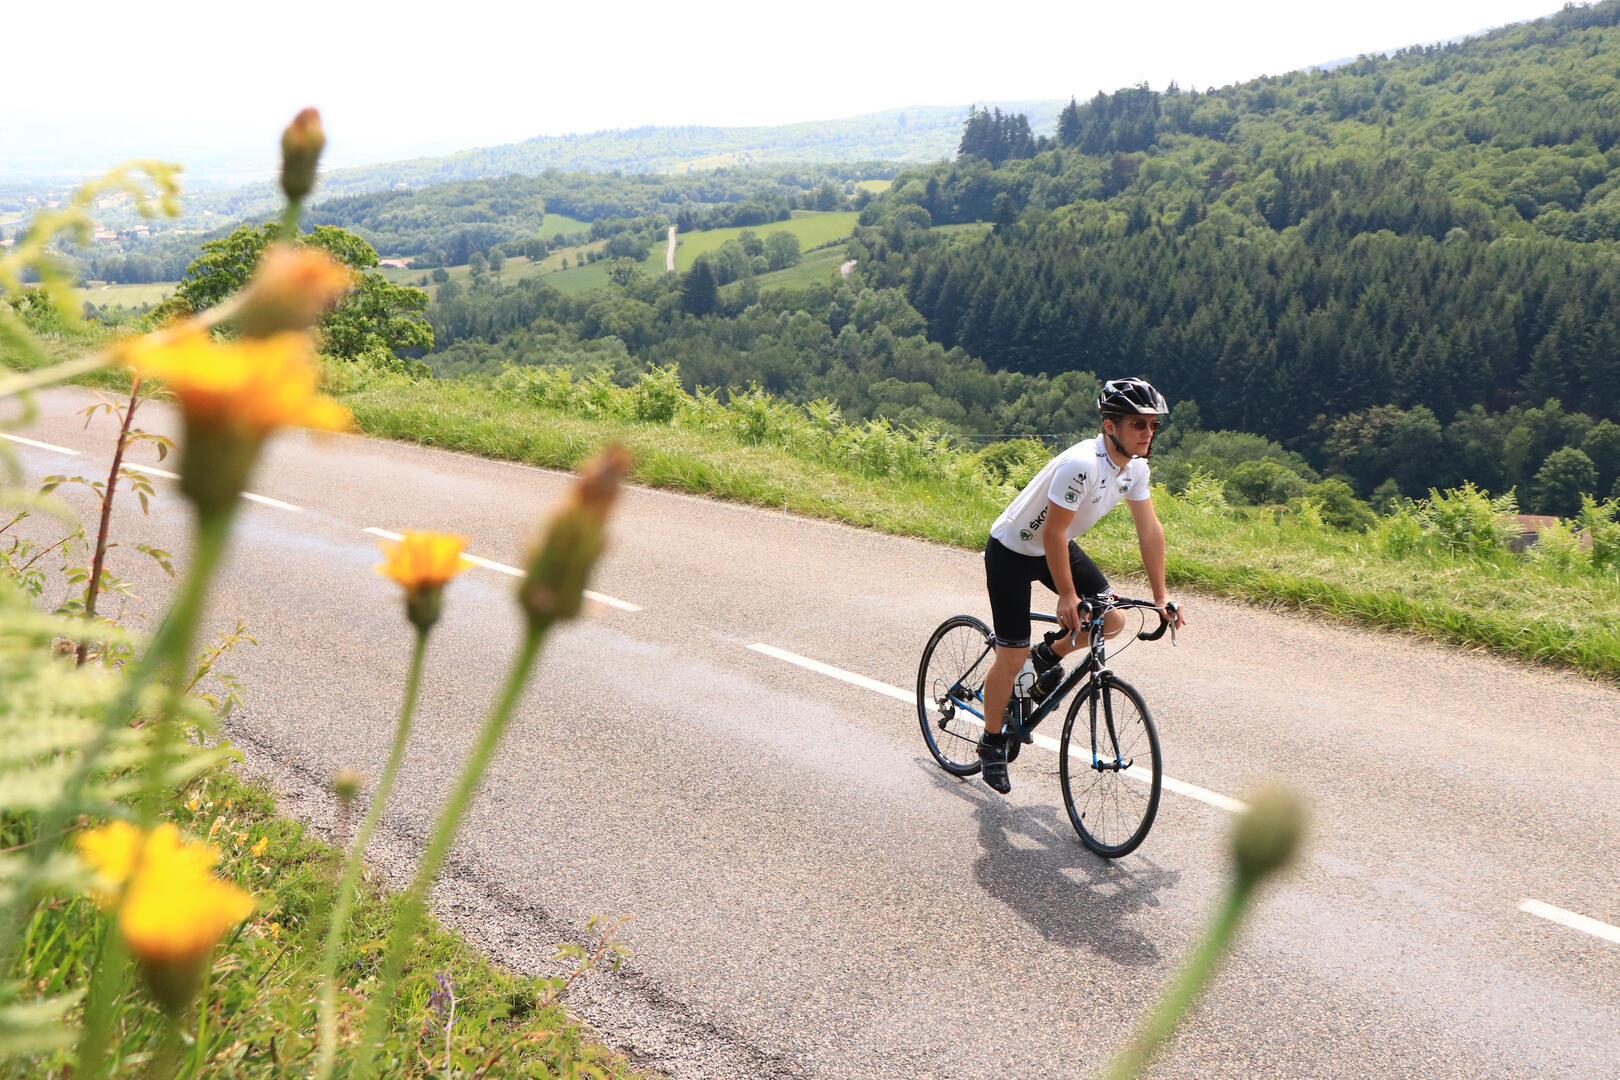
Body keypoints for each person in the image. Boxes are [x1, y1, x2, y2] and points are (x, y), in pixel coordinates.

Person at [977, 376, 1187, 795]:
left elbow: (1150, 531)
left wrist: (1162, 598)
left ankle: (1048, 653)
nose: (1149, 433)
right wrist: (1069, 596)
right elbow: (1053, 533)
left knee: (1112, 621)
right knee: (1011, 654)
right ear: (1110, 426)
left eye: (1153, 425)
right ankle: (992, 740)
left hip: (1055, 547)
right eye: (1138, 424)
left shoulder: (1135, 469)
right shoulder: (1081, 465)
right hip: (1013, 552)